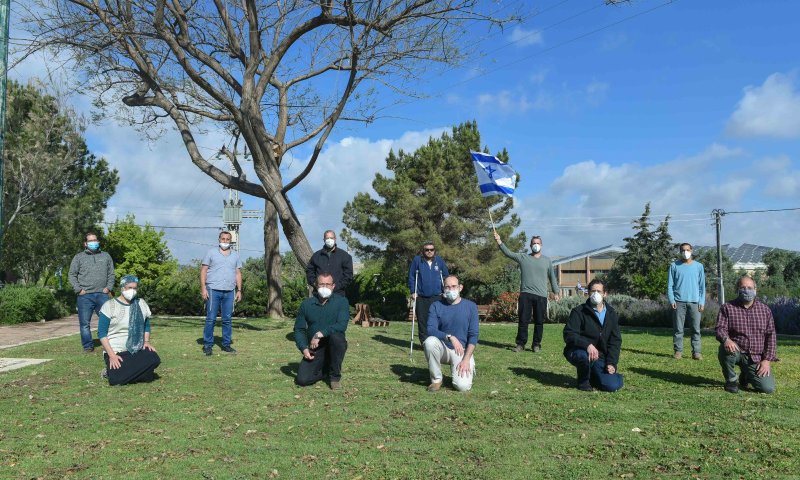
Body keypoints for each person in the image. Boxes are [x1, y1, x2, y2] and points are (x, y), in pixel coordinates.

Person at [494, 231, 559, 352]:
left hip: (541, 296)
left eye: (538, 243)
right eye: (534, 243)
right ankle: (520, 344)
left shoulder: (547, 261)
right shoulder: (523, 257)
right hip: (526, 294)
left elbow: (552, 277)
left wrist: (556, 292)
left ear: (541, 245)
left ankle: (536, 344)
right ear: (530, 245)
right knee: (523, 320)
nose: (536, 245)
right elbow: (508, 253)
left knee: (539, 322)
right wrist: (499, 241)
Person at [715, 276, 777, 394]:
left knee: (767, 388)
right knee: (725, 348)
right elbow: (720, 329)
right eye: (743, 287)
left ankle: (746, 375)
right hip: (735, 351)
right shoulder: (727, 307)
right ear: (738, 289)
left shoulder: (765, 310)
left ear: (755, 289)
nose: (746, 290)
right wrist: (726, 339)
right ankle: (731, 380)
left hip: (755, 357)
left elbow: (771, 336)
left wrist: (767, 360)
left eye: (749, 287)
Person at [98, 275, 161, 386]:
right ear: (122, 288)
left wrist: (146, 342)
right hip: (116, 352)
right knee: (116, 381)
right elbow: (101, 333)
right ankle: (139, 373)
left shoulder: (141, 303)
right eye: (129, 287)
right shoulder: (109, 306)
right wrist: (112, 355)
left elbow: (146, 325)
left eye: (135, 288)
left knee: (154, 358)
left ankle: (126, 373)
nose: (132, 290)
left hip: (136, 349)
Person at [562, 279, 623, 392]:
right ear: (588, 293)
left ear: (605, 293)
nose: (596, 294)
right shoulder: (579, 311)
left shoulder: (611, 314)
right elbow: (569, 334)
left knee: (612, 385)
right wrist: (587, 345)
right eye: (593, 291)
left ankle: (595, 377)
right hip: (579, 351)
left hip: (600, 356)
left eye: (599, 291)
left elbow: (615, 341)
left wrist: (612, 363)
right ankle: (583, 382)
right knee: (583, 356)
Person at [294, 273, 350, 390]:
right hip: (316, 347)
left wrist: (320, 333)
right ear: (315, 285)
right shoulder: (306, 304)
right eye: (321, 284)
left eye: (328, 284)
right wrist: (304, 348)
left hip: (334, 344)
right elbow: (299, 329)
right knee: (302, 380)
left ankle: (335, 377)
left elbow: (341, 325)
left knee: (337, 338)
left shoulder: (342, 302)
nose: (325, 287)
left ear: (333, 286)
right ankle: (325, 368)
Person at [423, 275, 479, 392]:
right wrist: (449, 337)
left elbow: (473, 335)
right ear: (443, 289)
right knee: (429, 342)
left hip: (461, 351)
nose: (450, 290)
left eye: (454, 286)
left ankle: (463, 366)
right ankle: (436, 380)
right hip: (443, 348)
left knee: (462, 387)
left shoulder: (471, 307)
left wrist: (466, 359)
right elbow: (430, 329)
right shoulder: (436, 306)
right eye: (447, 287)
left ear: (460, 287)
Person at [68, 232, 115, 352]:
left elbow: (111, 274)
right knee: (84, 324)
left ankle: (111, 343)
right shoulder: (78, 257)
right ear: (85, 243)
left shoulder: (106, 256)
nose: (94, 242)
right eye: (90, 241)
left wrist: (108, 287)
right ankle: (88, 346)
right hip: (85, 296)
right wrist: (78, 289)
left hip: (102, 294)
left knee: (109, 320)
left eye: (95, 240)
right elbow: (72, 274)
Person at [200, 231, 242, 356]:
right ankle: (207, 345)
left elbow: (238, 273)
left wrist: (239, 290)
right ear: (219, 239)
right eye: (223, 239)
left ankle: (226, 344)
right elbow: (203, 270)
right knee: (211, 319)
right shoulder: (211, 253)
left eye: (227, 239)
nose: (225, 241)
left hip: (229, 291)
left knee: (227, 320)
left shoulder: (235, 255)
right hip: (213, 290)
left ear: (231, 241)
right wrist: (203, 288)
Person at [667, 243, 706, 360]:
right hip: (678, 302)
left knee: (696, 329)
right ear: (680, 252)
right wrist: (671, 299)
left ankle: (696, 352)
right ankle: (678, 351)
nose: (685, 252)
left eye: (687, 250)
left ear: (692, 250)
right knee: (678, 329)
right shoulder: (674, 266)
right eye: (683, 250)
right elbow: (670, 285)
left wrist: (702, 301)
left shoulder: (699, 266)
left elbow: (702, 286)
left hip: (695, 302)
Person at [408, 241, 449, 343]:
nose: (429, 252)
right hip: (421, 297)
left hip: (437, 296)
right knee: (422, 320)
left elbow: (445, 276)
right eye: (427, 250)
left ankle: (438, 341)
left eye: (431, 250)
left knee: (438, 319)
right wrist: (413, 291)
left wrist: (446, 290)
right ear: (423, 251)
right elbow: (412, 276)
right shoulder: (417, 260)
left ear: (434, 251)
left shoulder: (439, 261)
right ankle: (424, 342)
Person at [306, 230, 353, 299]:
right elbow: (309, 271)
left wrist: (336, 287)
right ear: (324, 239)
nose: (329, 240)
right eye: (327, 238)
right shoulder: (316, 256)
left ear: (335, 239)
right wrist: (315, 284)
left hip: (338, 295)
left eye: (331, 238)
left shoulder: (344, 256)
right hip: (318, 295)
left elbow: (348, 275)